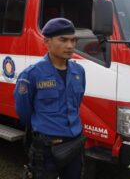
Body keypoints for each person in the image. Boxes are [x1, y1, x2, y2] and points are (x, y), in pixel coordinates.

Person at [14, 18, 86, 179]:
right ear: (47, 41)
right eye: (63, 40)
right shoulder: (31, 74)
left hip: (75, 143)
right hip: (47, 149)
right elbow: (24, 112)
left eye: (73, 40)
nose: (70, 46)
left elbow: (77, 103)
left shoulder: (79, 71)